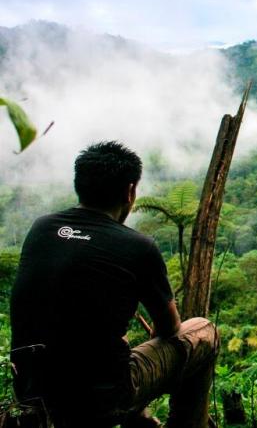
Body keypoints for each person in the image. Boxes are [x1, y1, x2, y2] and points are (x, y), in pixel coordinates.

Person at [10, 141, 219, 428]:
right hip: (102, 399)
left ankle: (140, 419)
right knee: (204, 332)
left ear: (78, 184)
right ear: (130, 191)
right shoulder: (139, 246)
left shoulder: (41, 228)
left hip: (31, 393)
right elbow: (170, 328)